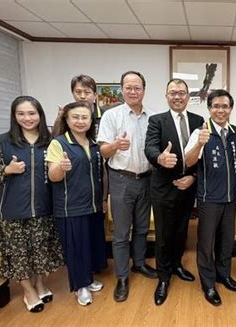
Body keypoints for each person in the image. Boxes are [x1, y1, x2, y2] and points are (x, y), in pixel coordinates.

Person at [0, 96, 64, 313]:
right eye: (21, 114)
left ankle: (40, 284)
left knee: (40, 251)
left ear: (40, 115)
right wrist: (7, 170)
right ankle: (28, 291)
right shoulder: (3, 141)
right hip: (13, 210)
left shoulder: (50, 141)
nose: (27, 118)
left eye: (32, 113)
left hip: (43, 207)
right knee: (19, 253)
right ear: (14, 116)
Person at [97, 71, 157, 303]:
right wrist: (115, 145)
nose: (133, 91)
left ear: (144, 90)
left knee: (142, 228)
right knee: (121, 233)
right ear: (122, 89)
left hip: (147, 179)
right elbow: (102, 151)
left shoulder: (153, 117)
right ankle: (122, 277)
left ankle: (139, 264)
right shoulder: (111, 116)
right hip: (121, 179)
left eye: (137, 87)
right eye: (128, 87)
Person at [144, 78, 204, 306]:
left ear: (188, 96)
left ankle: (178, 265)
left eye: (182, 92)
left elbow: (201, 156)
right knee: (163, 235)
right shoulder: (157, 121)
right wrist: (160, 157)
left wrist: (194, 177)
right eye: (173, 92)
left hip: (188, 187)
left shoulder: (199, 121)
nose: (177, 96)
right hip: (163, 188)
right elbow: (149, 147)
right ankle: (163, 277)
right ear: (166, 96)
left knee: (181, 231)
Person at [184, 89, 236, 306]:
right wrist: (199, 143)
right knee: (206, 244)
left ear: (230, 109)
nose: (220, 110)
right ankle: (208, 283)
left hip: (230, 198)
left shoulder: (235, 131)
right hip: (209, 199)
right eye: (216, 106)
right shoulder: (200, 132)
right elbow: (188, 162)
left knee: (227, 241)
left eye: (225, 106)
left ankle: (223, 274)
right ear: (209, 108)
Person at [46, 101, 104, 306]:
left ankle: (88, 279)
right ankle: (81, 287)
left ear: (91, 120)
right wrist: (61, 167)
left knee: (88, 244)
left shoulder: (94, 144)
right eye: (75, 117)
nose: (80, 121)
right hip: (70, 207)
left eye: (84, 117)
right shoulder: (58, 143)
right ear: (67, 120)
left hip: (93, 205)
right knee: (76, 248)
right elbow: (53, 176)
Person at [53, 74, 108, 282]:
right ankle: (81, 280)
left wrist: (105, 195)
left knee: (93, 233)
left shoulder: (105, 118)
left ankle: (92, 272)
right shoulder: (64, 125)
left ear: (95, 95)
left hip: (97, 185)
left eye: (87, 92)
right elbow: (56, 151)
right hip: (72, 191)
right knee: (77, 238)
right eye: (78, 92)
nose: (83, 96)